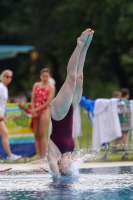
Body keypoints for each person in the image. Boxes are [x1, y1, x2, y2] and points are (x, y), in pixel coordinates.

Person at [47, 28, 94, 179]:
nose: (72, 165)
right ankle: (86, 46)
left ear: (61, 166)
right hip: (71, 110)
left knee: (71, 78)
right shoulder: (70, 152)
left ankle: (79, 44)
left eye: (67, 167)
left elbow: (53, 172)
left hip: (59, 114)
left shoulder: (53, 156)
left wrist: (58, 178)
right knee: (80, 78)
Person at [31, 68, 55, 160]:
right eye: (43, 76)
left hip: (44, 110)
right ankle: (38, 156)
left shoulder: (51, 87)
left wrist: (36, 109)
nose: (45, 78)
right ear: (40, 76)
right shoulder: (36, 85)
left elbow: (48, 102)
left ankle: (43, 156)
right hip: (35, 110)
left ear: (49, 77)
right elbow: (33, 98)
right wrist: (33, 109)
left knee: (42, 134)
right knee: (36, 134)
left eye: (46, 76)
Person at [0, 70, 22, 161]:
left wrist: (3, 115)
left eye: (10, 77)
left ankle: (9, 155)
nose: (9, 78)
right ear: (3, 76)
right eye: (7, 76)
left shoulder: (5, 88)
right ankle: (9, 155)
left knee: (4, 134)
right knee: (5, 134)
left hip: (1, 114)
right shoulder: (1, 87)